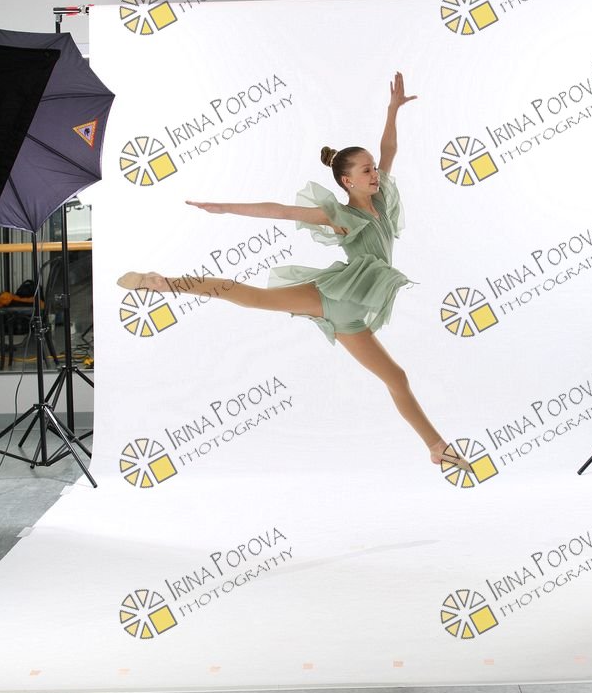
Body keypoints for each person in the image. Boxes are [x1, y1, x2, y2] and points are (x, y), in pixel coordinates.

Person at [118, 72, 472, 475]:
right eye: (366, 171)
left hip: (352, 318)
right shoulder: (341, 215)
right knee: (251, 296)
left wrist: (392, 111)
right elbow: (281, 210)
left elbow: (389, 148)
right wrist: (225, 207)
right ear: (347, 181)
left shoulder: (383, 198)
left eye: (373, 168)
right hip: (334, 297)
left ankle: (436, 449)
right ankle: (165, 283)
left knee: (398, 378)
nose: (375, 173)